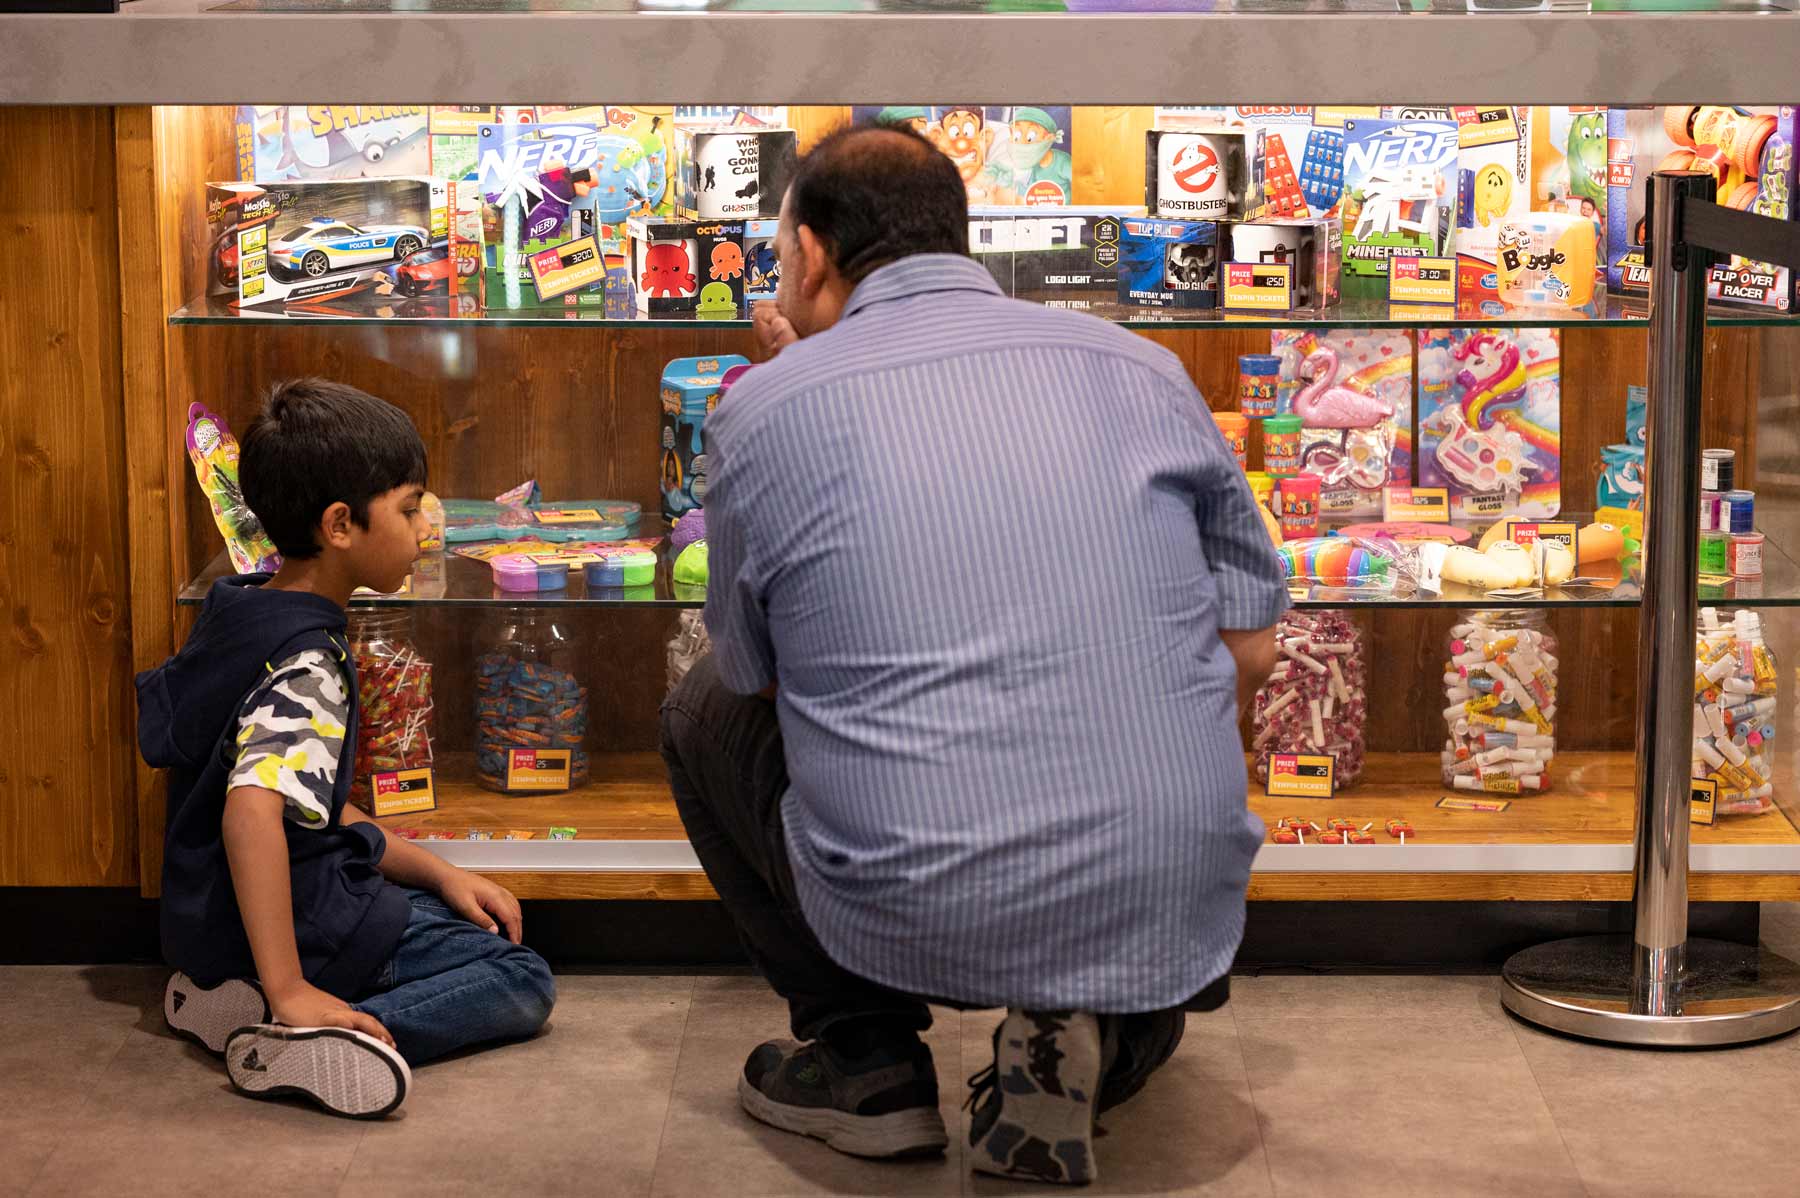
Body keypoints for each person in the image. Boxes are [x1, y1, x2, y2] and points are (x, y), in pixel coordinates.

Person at [661, 125, 1286, 1185]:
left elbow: (755, 673)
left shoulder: (763, 409)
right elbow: (1254, 647)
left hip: (905, 902)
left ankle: (867, 1063)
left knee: (700, 708)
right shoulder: (1142, 366)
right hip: (1166, 887)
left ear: (811, 253)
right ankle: (1097, 1026)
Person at [138, 379, 555, 1119]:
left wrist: (441, 873)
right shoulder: (308, 664)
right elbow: (251, 814)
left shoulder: (240, 611)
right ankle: (306, 1032)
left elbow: (311, 803)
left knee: (429, 905)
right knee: (519, 978)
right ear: (339, 525)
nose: (424, 528)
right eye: (409, 508)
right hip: (305, 928)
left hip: (212, 926)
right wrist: (293, 988)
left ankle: (232, 995)